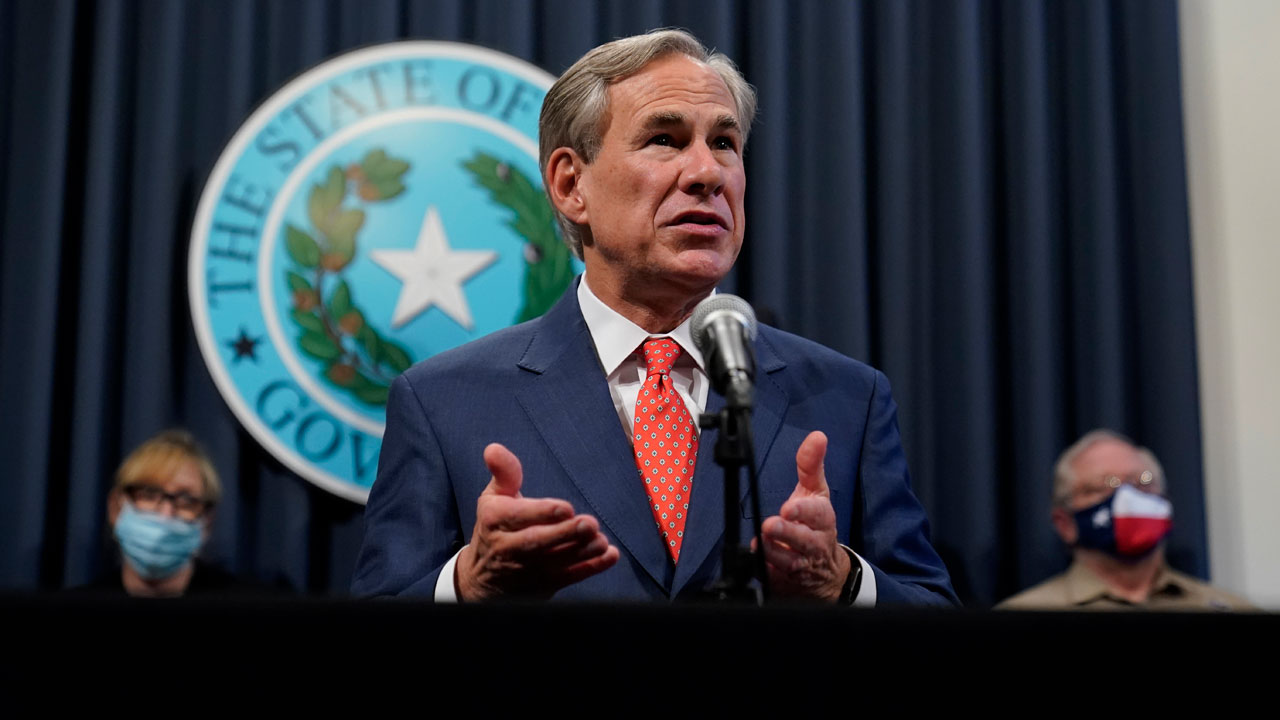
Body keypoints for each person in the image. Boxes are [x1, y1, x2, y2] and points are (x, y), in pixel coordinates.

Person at [353, 29, 956, 606]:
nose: (707, 173)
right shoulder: (444, 402)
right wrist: (468, 585)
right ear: (571, 185)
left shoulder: (846, 398)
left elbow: (935, 621)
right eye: (664, 140)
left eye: (724, 143)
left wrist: (844, 583)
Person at [998, 429, 1251, 611]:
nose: (1126, 497)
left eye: (1142, 482)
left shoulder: (1230, 610)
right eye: (1103, 486)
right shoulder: (1024, 616)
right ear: (1064, 523)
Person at [77, 429, 271, 598]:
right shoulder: (72, 615)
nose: (166, 514)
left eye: (186, 501)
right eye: (149, 495)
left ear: (207, 522)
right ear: (116, 508)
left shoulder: (248, 613)